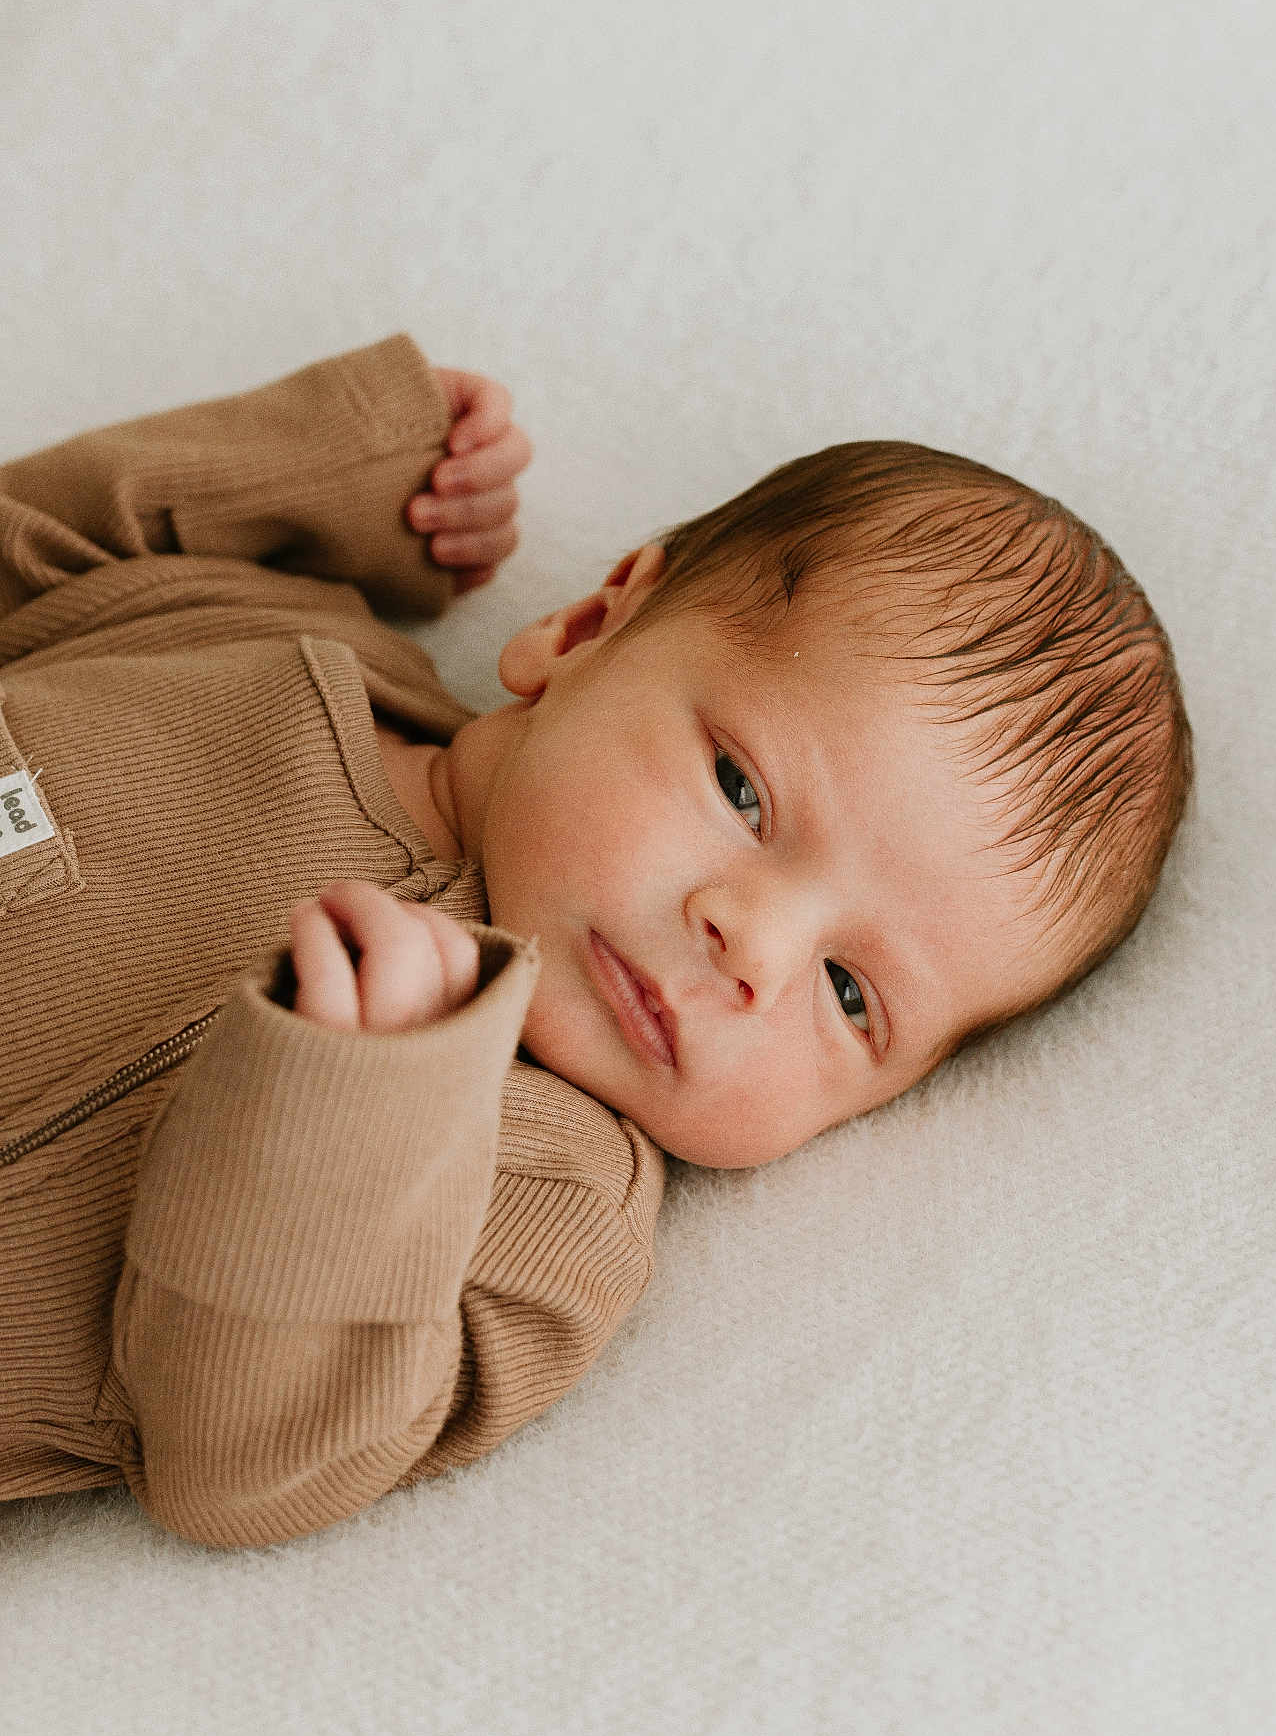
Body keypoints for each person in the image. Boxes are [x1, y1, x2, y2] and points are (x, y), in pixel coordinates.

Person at [0, 335, 1192, 1548]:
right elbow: (40, 550)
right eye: (742, 793)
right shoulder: (248, 632)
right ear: (581, 630)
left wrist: (347, 1121)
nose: (754, 952)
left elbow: (238, 1465)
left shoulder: (543, 1203)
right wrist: (334, 476)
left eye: (847, 993)